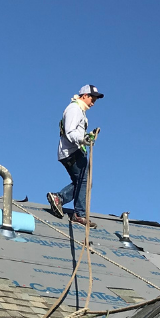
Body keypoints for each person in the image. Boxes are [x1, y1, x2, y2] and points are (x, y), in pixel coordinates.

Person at [46, 85, 103, 227]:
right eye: (92, 98)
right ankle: (78, 214)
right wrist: (83, 140)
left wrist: (86, 136)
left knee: (82, 182)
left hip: (71, 151)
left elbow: (75, 132)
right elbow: (70, 131)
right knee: (85, 181)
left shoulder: (79, 111)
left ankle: (60, 199)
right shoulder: (74, 109)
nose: (93, 102)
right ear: (84, 95)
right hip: (71, 151)